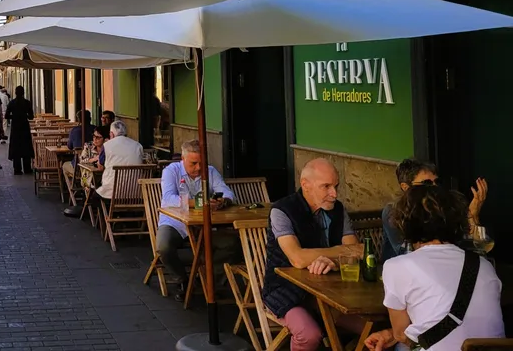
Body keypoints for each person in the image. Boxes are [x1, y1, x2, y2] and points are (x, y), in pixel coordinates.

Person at [366, 185, 504, 351]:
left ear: (404, 224)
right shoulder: (484, 265)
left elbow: (402, 335)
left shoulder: (397, 267)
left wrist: (392, 334)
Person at [261, 158, 364, 351]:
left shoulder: (338, 210)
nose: (334, 194)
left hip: (332, 292)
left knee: (372, 327)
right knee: (309, 335)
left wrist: (333, 263)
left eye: (336, 186)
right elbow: (297, 258)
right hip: (286, 290)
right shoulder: (281, 210)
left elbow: (357, 252)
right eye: (326, 186)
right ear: (305, 185)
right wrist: (339, 252)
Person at [157, 139, 236, 301]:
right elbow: (168, 199)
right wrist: (198, 202)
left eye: (201, 163)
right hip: (175, 222)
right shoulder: (171, 171)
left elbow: (228, 193)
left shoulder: (210, 171)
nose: (199, 168)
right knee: (163, 247)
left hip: (203, 224)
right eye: (193, 163)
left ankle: (209, 278)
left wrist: (222, 201)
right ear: (183, 160)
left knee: (232, 243)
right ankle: (182, 279)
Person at [381, 158, 488, 262]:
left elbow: (476, 249)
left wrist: (472, 216)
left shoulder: (443, 206)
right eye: (426, 183)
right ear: (405, 187)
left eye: (437, 182)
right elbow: (405, 253)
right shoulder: (393, 211)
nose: (435, 187)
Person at [91, 120, 143, 209]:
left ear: (111, 134)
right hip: (136, 193)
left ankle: (108, 219)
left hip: (111, 194)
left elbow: (100, 167)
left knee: (94, 197)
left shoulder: (107, 145)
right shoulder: (138, 146)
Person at [4, 85, 35, 175]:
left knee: (16, 147)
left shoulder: (12, 103)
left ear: (15, 92)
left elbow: (6, 116)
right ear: (23, 93)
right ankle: (27, 168)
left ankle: (17, 169)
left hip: (15, 127)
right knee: (26, 146)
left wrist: (14, 116)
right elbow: (31, 116)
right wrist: (25, 116)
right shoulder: (27, 103)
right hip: (24, 127)